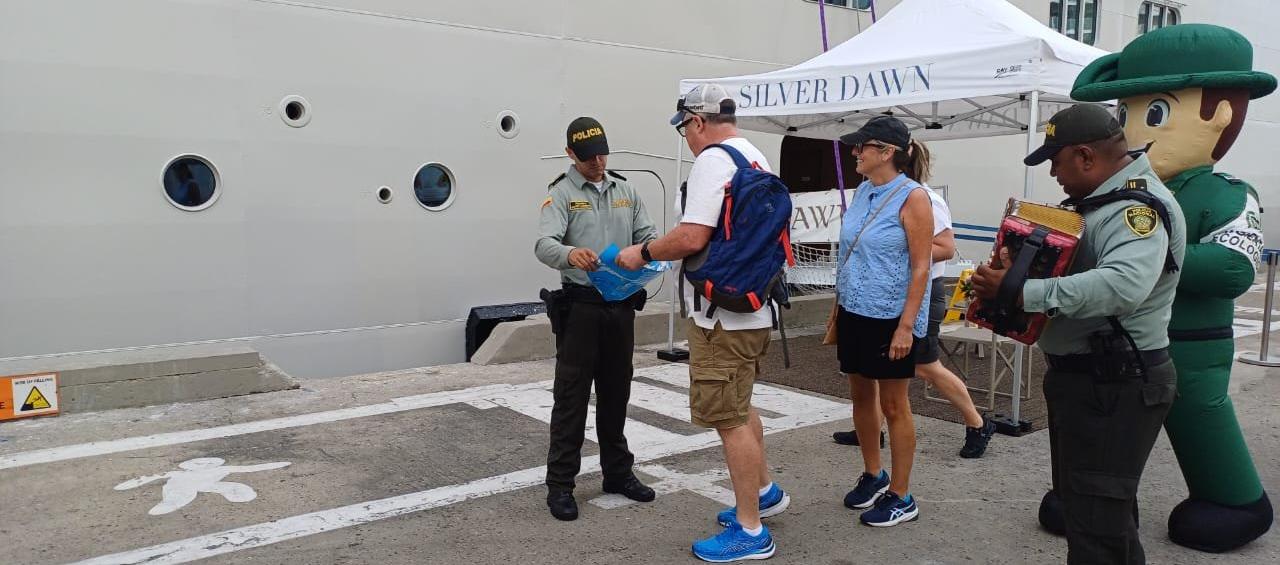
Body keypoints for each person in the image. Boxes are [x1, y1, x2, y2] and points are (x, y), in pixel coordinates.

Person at [1069, 24, 1275, 552]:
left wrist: (1142, 260)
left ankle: (1235, 500)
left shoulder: (1224, 194)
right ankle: (1099, 502)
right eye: (1127, 115)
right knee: (1112, 428)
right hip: (1122, 339)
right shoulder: (1119, 191)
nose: (1136, 130)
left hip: (1193, 343)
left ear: (1221, 115)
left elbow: (1234, 268)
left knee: (1199, 417)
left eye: (1154, 113)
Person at [970, 103, 1186, 564]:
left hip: (1114, 384)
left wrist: (1021, 289)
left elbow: (1123, 285)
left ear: (1086, 156)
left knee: (1096, 530)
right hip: (1093, 381)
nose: (1053, 173)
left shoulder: (1135, 210)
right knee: (1100, 517)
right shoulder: (1101, 204)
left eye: (1056, 160)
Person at [616, 83, 787, 562]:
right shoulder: (754, 155)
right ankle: (765, 492)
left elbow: (692, 236)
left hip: (720, 318)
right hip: (753, 308)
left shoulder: (714, 161)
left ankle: (751, 532)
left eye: (685, 129)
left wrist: (643, 252)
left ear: (696, 121)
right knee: (742, 404)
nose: (686, 140)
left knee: (727, 419)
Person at [833, 144, 997, 459]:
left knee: (925, 365)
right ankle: (870, 427)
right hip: (884, 296)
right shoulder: (872, 194)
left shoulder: (922, 198)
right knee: (880, 371)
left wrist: (894, 251)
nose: (857, 154)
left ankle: (977, 422)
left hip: (920, 293)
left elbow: (947, 248)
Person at [534, 116, 658, 522]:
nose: (598, 163)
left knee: (616, 392)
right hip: (582, 308)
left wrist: (644, 252)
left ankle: (618, 473)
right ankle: (560, 486)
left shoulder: (626, 189)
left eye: (602, 154)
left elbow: (647, 234)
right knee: (571, 398)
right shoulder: (562, 194)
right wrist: (570, 254)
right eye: (588, 158)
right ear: (571, 154)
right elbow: (544, 243)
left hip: (620, 305)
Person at [830, 115, 933, 528]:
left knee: (894, 404)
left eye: (862, 147)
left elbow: (922, 268)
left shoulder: (914, 198)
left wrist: (906, 326)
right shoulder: (863, 192)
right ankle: (874, 474)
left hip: (891, 316)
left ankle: (902, 495)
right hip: (856, 309)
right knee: (859, 395)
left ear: (886, 152)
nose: (855, 152)